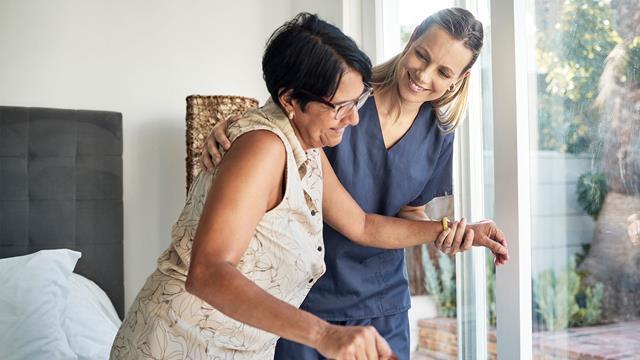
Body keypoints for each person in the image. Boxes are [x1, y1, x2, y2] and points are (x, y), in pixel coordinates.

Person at [111, 12, 507, 360]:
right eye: (342, 107)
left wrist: (454, 233)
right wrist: (323, 333)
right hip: (188, 338)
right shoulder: (268, 144)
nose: (354, 119)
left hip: (255, 335)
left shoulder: (313, 147)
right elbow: (209, 272)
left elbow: (363, 225)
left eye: (358, 102)